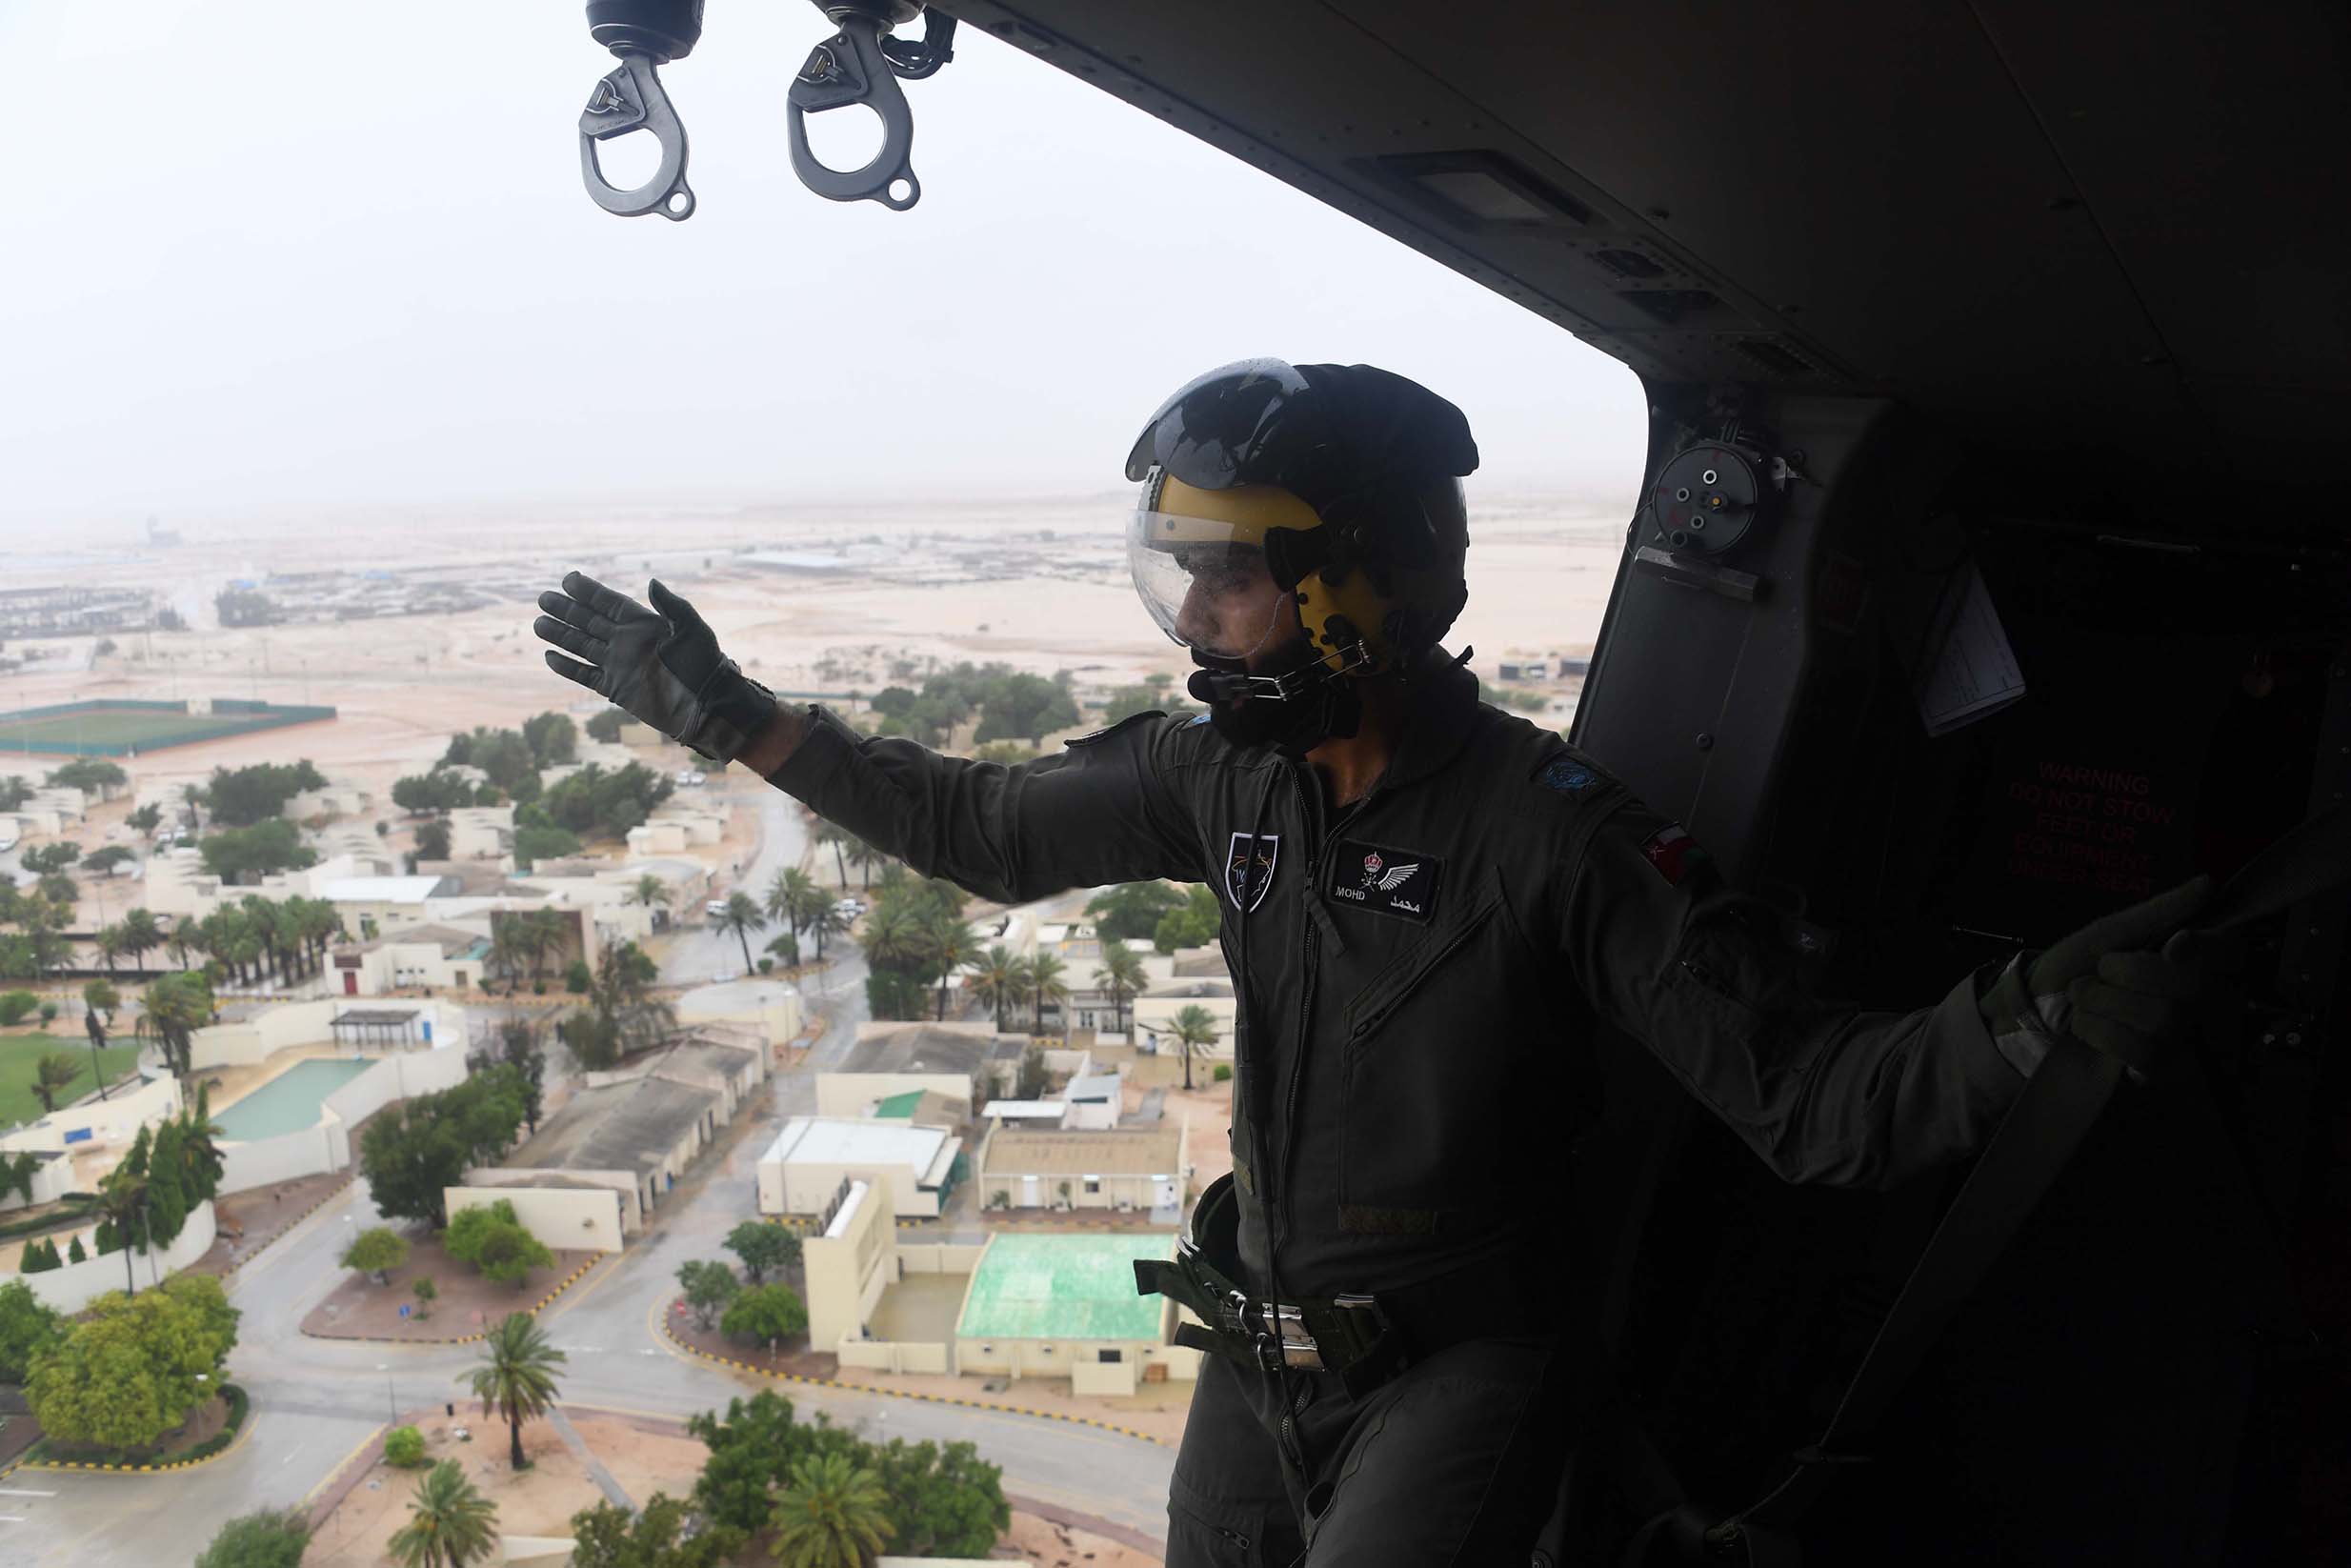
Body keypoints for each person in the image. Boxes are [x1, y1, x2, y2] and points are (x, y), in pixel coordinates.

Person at [533, 359, 2205, 1564]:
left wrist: (2017, 1025)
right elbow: (985, 827)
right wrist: (739, 720)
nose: (1196, 617)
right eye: (1186, 570)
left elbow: (1811, 1097)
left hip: (1458, 1373)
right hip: (1260, 1354)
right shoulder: (1229, 777)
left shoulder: (1551, 834)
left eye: (1239, 576)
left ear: (1365, 586)